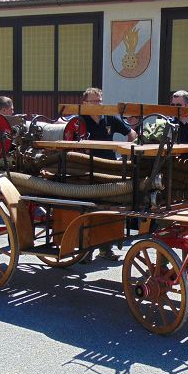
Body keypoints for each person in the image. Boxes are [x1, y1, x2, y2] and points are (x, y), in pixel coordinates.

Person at [78, 88, 135, 262]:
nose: (98, 104)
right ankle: (86, 251)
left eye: (100, 101)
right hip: (84, 170)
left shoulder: (109, 117)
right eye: (94, 101)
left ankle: (105, 249)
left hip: (108, 169)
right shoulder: (79, 119)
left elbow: (131, 133)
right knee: (88, 209)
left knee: (109, 208)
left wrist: (126, 155)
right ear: (84, 103)